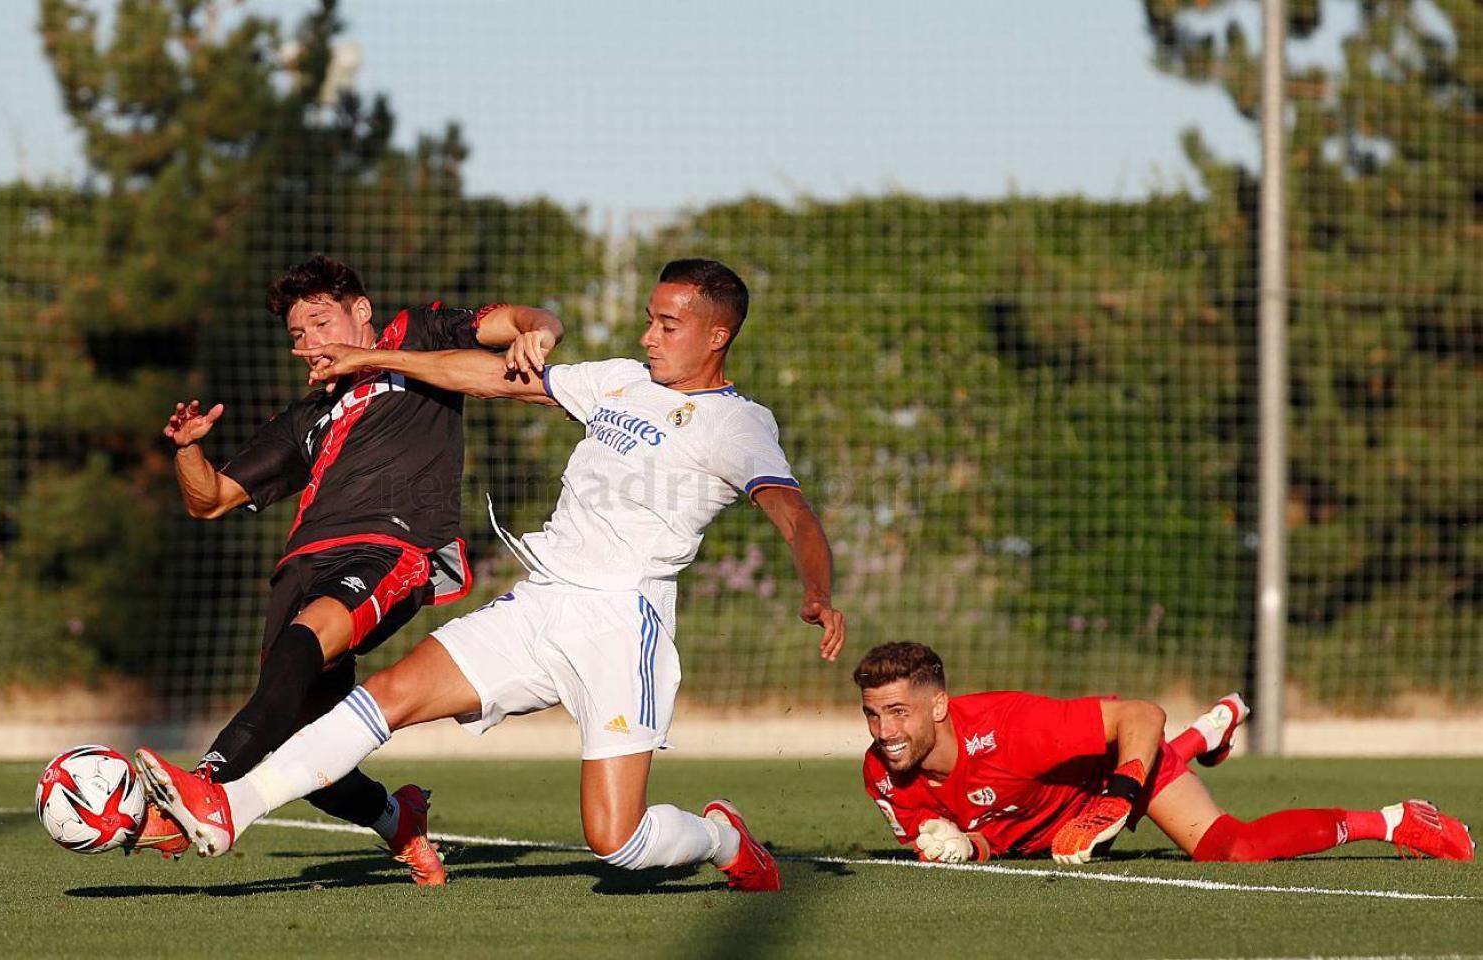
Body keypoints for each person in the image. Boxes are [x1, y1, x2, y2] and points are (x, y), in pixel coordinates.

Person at [135, 258, 846, 892]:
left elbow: (794, 515)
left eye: (666, 325)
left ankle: (722, 837)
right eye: (649, 321)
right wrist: (385, 359)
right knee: (386, 696)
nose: (648, 337)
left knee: (617, 841)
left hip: (620, 625)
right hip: (539, 603)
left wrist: (818, 590)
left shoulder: (737, 423)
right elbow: (484, 376)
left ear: (716, 336)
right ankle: (228, 809)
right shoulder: (619, 382)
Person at [133, 254, 564, 884]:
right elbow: (211, 499)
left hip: (391, 546)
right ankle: (398, 819)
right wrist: (188, 449)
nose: (309, 341)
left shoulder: (420, 333)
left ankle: (206, 786)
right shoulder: (310, 414)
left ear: (361, 311)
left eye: (320, 320)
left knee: (300, 652)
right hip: (302, 565)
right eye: (298, 334)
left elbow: (526, 325)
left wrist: (541, 333)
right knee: (296, 739)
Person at [854, 641, 1474, 864]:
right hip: (1058, 822)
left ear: (939, 707)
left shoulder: (1011, 726)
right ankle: (1214, 728)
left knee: (1233, 848)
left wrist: (1121, 800)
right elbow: (976, 834)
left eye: (898, 711)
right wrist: (967, 847)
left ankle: (1394, 820)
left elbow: (1142, 715)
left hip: (1116, 776)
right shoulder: (881, 775)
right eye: (874, 714)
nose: (885, 731)